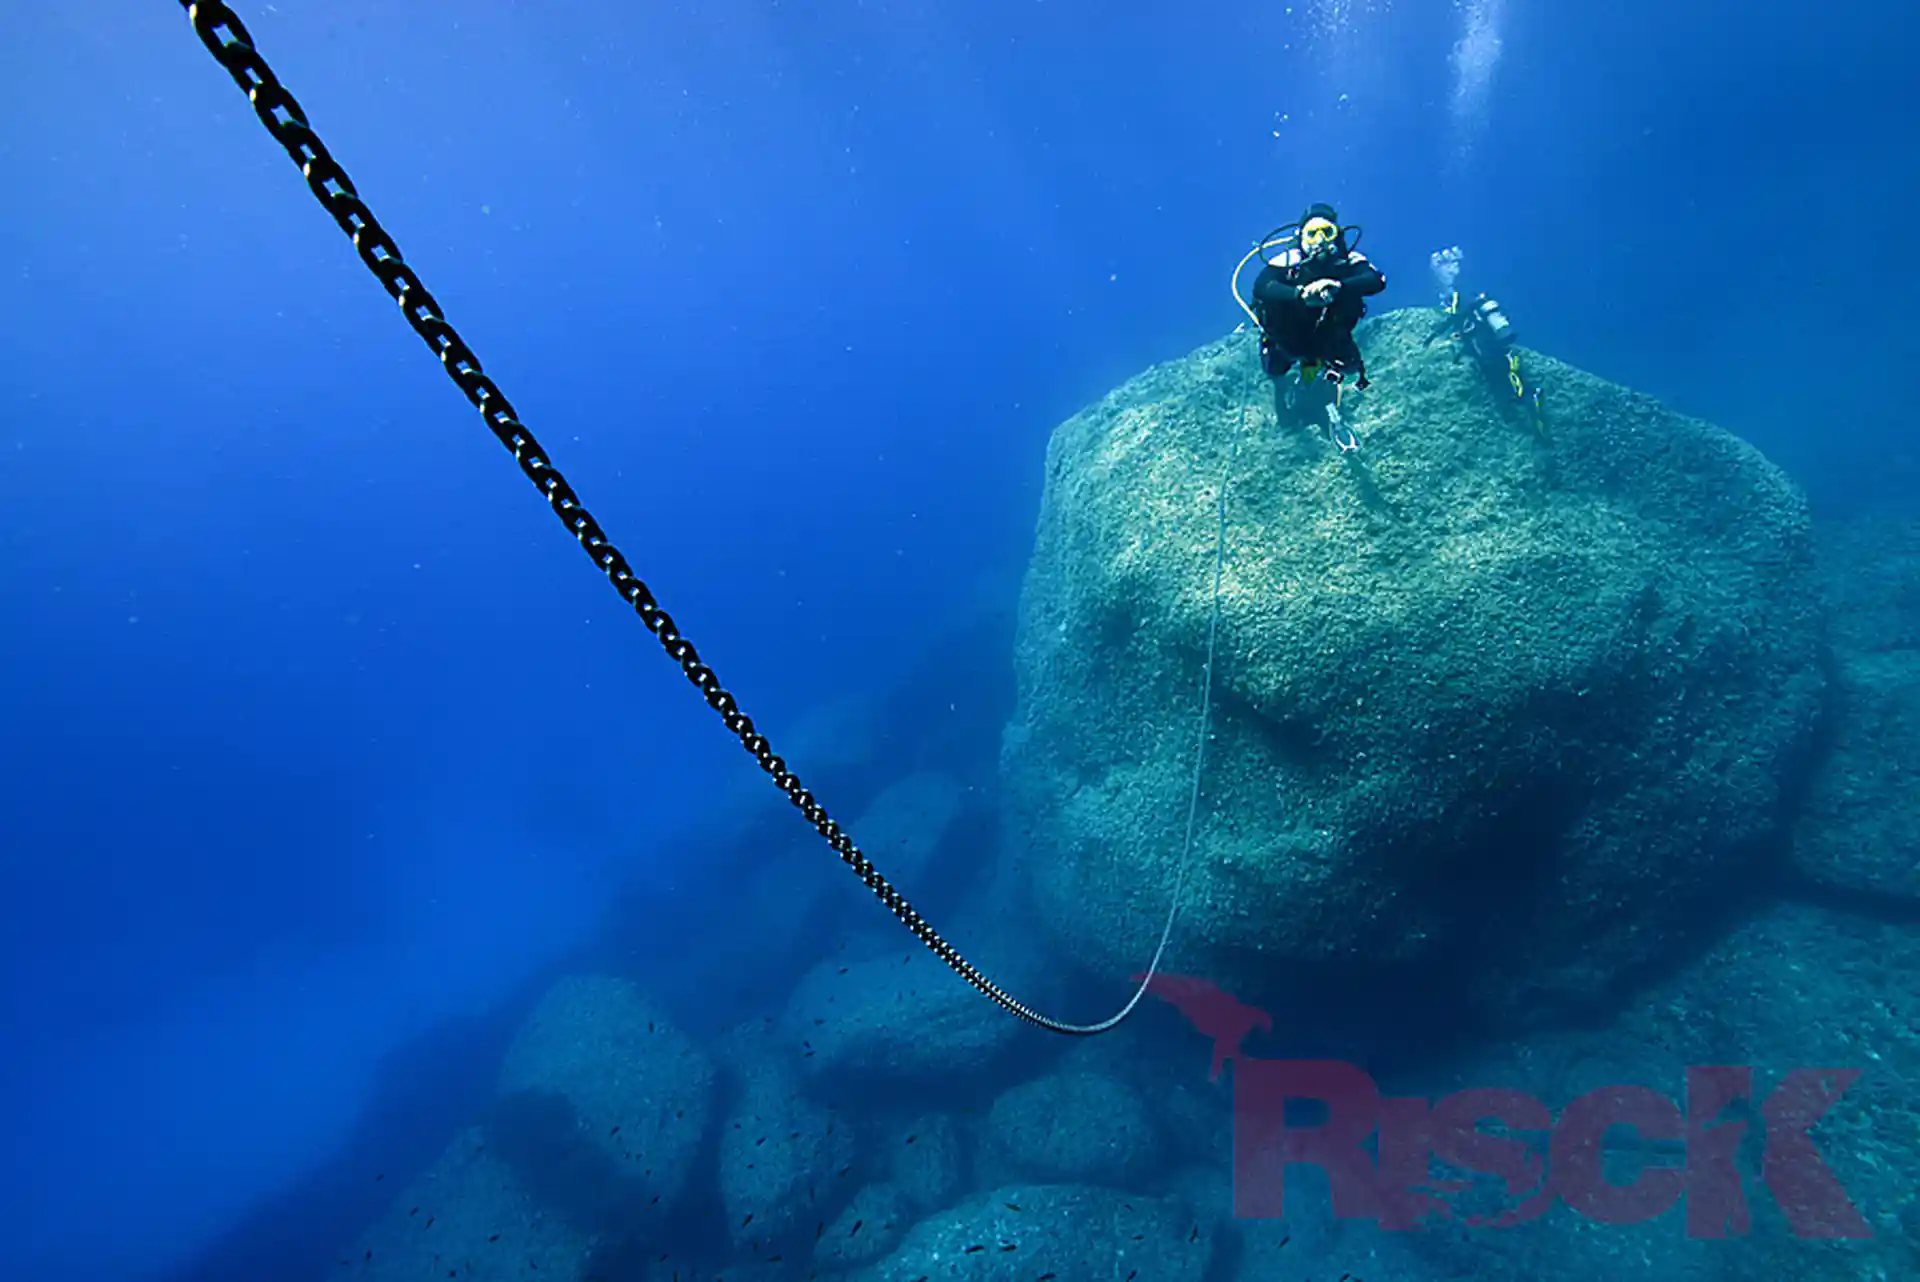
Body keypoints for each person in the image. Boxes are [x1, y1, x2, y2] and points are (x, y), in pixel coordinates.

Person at [1251, 203, 1388, 395]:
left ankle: (1318, 377)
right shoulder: (1288, 260)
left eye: (1327, 232)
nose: (1320, 240)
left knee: (1350, 367)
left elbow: (1375, 280)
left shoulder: (1350, 260)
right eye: (1312, 233)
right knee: (1275, 368)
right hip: (1289, 335)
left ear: (1337, 235)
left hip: (1331, 335)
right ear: (1301, 237)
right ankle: (1288, 385)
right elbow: (1262, 286)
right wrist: (1300, 295)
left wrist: (1340, 287)